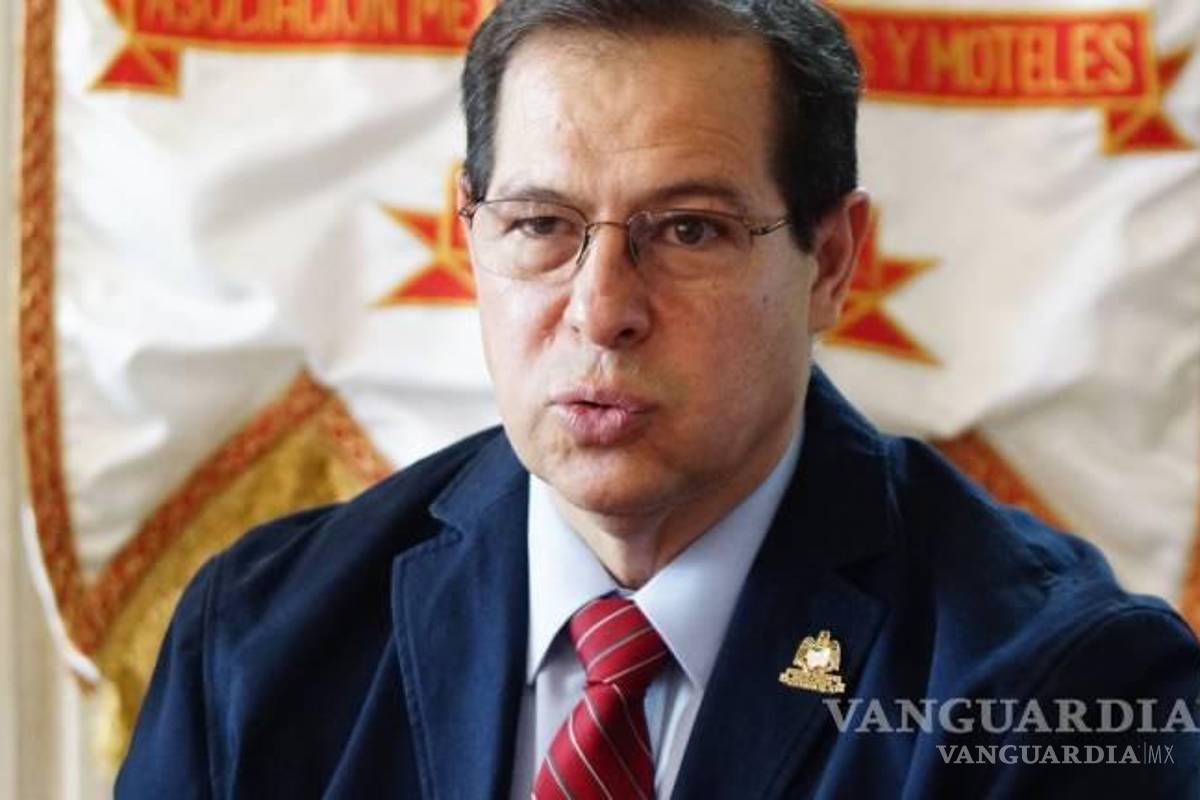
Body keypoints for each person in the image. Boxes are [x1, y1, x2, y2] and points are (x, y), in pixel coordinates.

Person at [117, 1, 1200, 797]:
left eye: (689, 230)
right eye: (541, 225)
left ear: (830, 261)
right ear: (471, 234)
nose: (602, 311)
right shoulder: (257, 639)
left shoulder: (1057, 684)